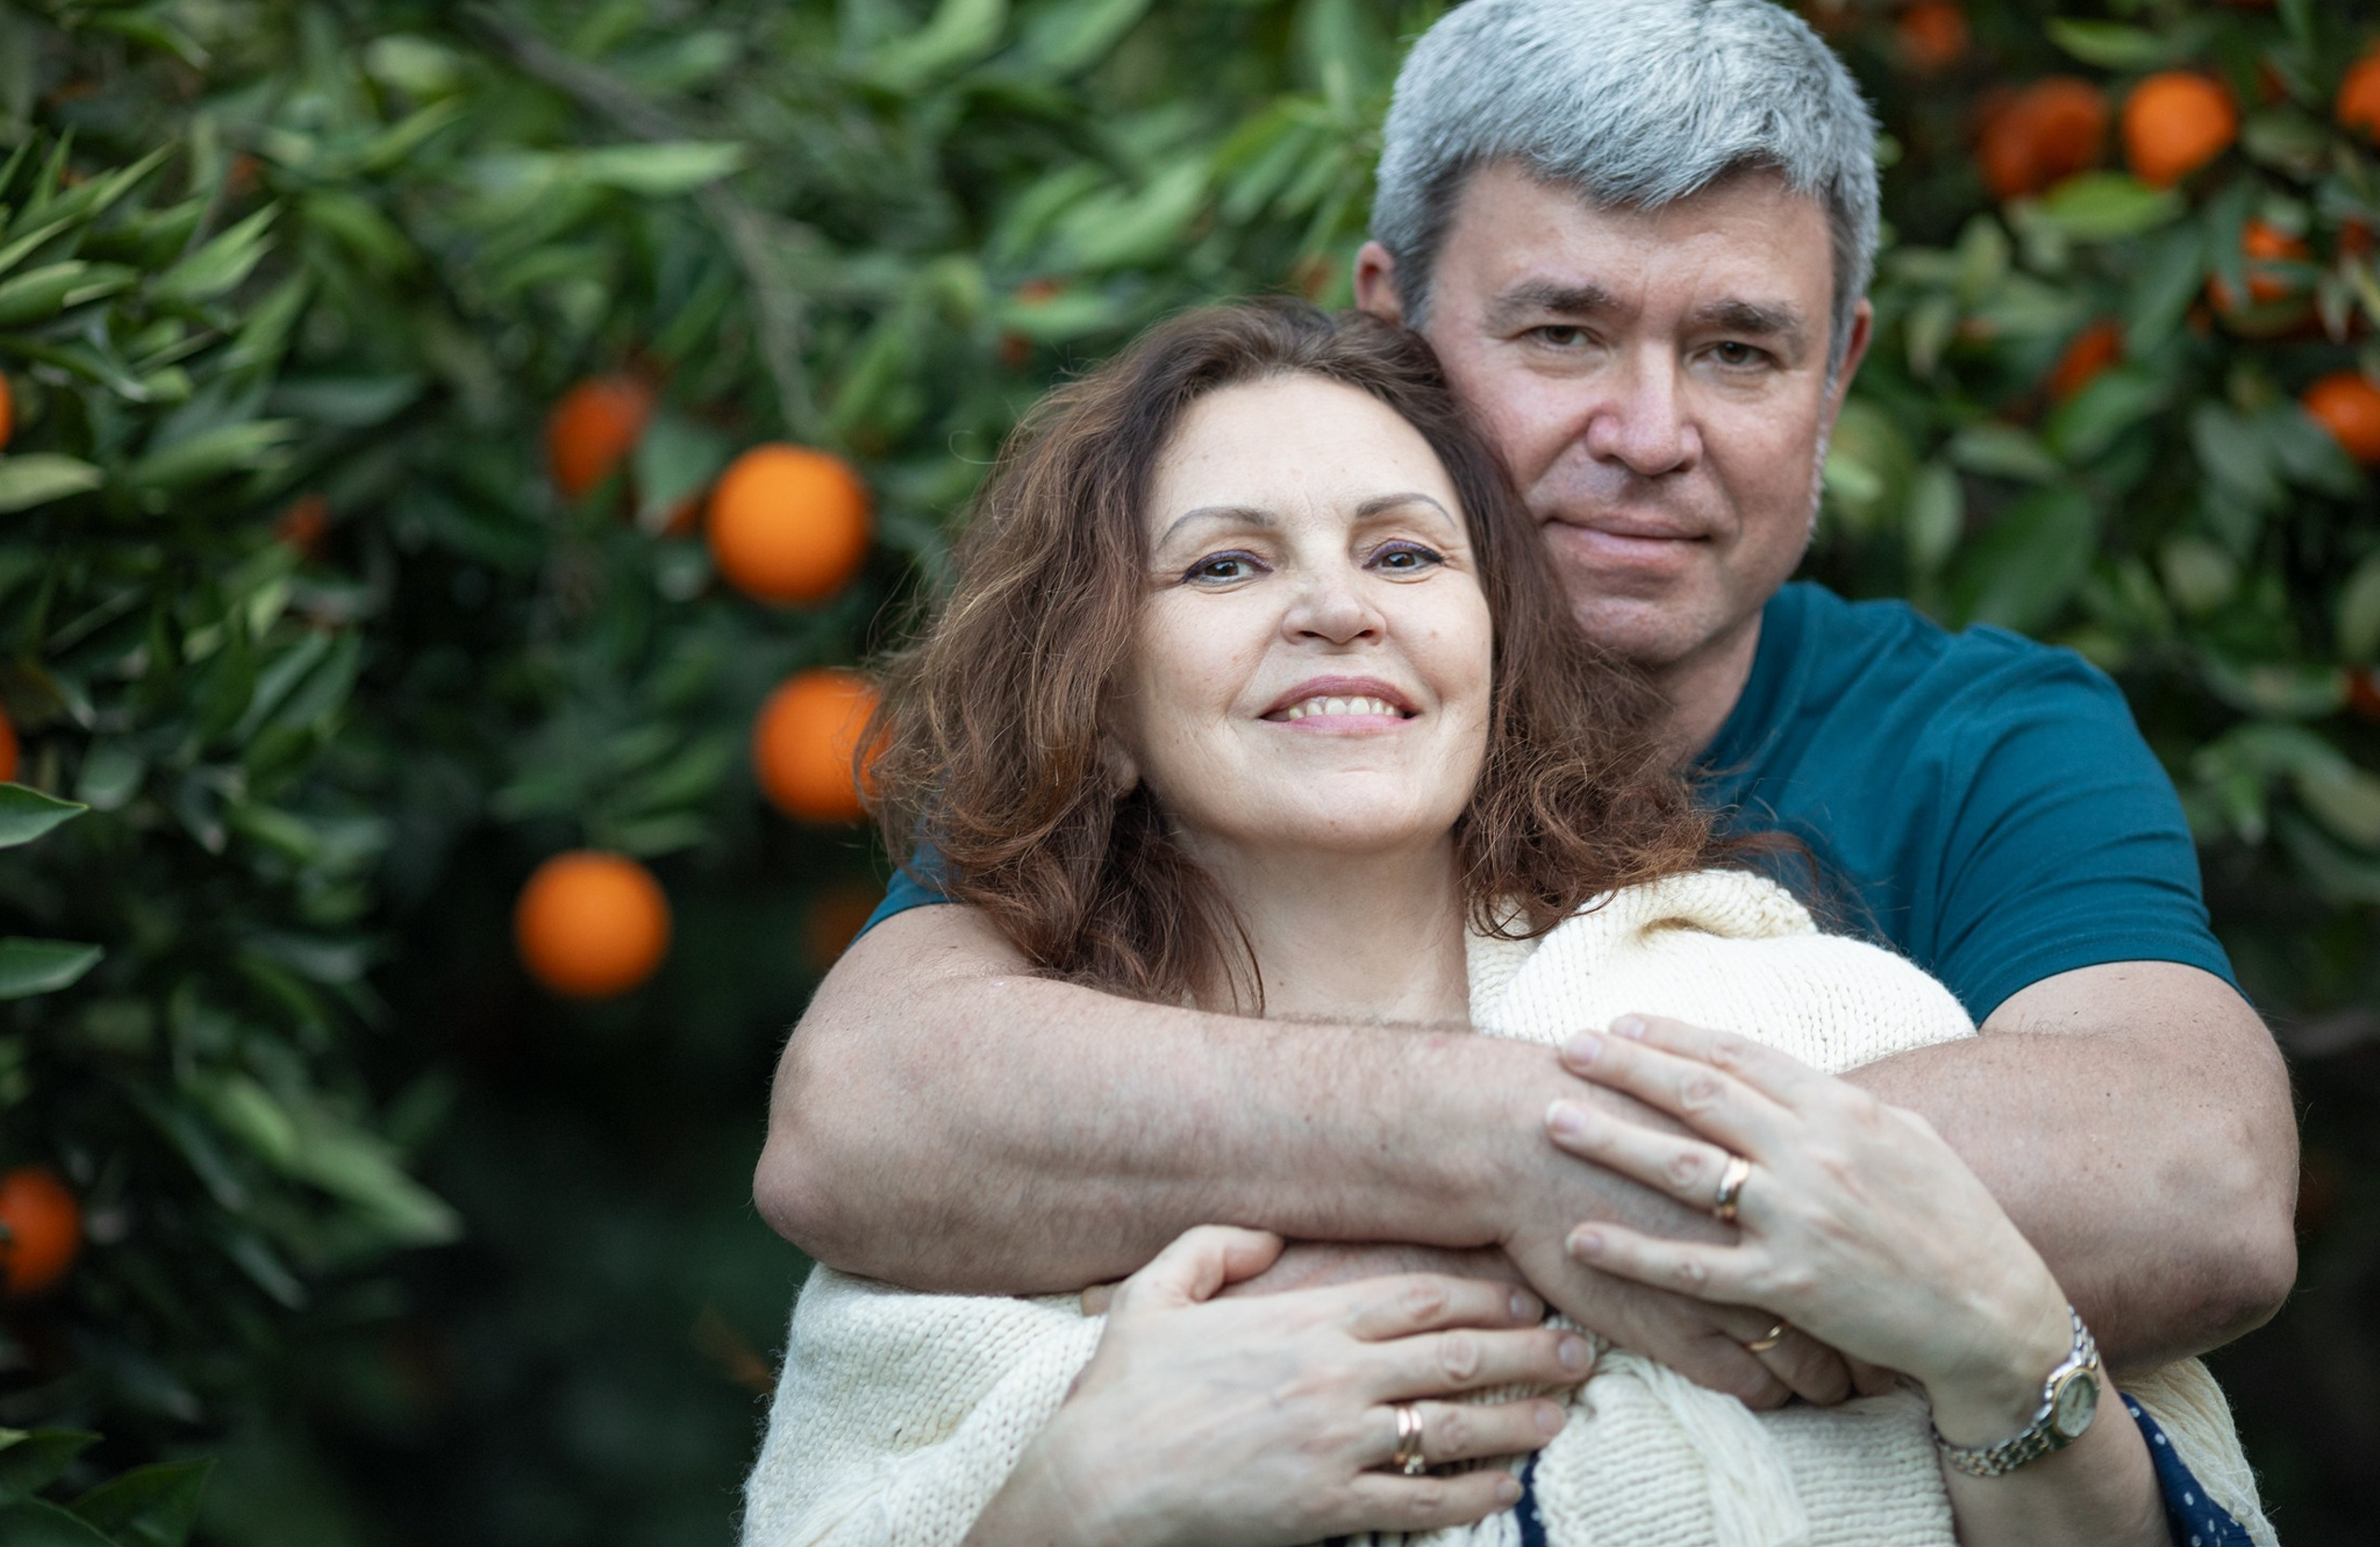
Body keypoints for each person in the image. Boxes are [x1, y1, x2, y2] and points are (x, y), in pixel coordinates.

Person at [756, 0, 2296, 1407]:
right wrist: (1506, 1157)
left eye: (1741, 353)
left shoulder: (1973, 740)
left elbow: (2192, 1184)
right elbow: (871, 1113)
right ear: (1388, 329)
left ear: (1839, 372)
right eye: (1564, 332)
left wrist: (1521, 1185)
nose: (1648, 431)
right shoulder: (1232, 717)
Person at [742, 303, 2269, 1547]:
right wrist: (1073, 1507)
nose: (1339, 608)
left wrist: (2008, 1354)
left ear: (1495, 658)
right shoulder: (979, 1191)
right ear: (1105, 702)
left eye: (1406, 554)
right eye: (1226, 562)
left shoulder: (1810, 1022)